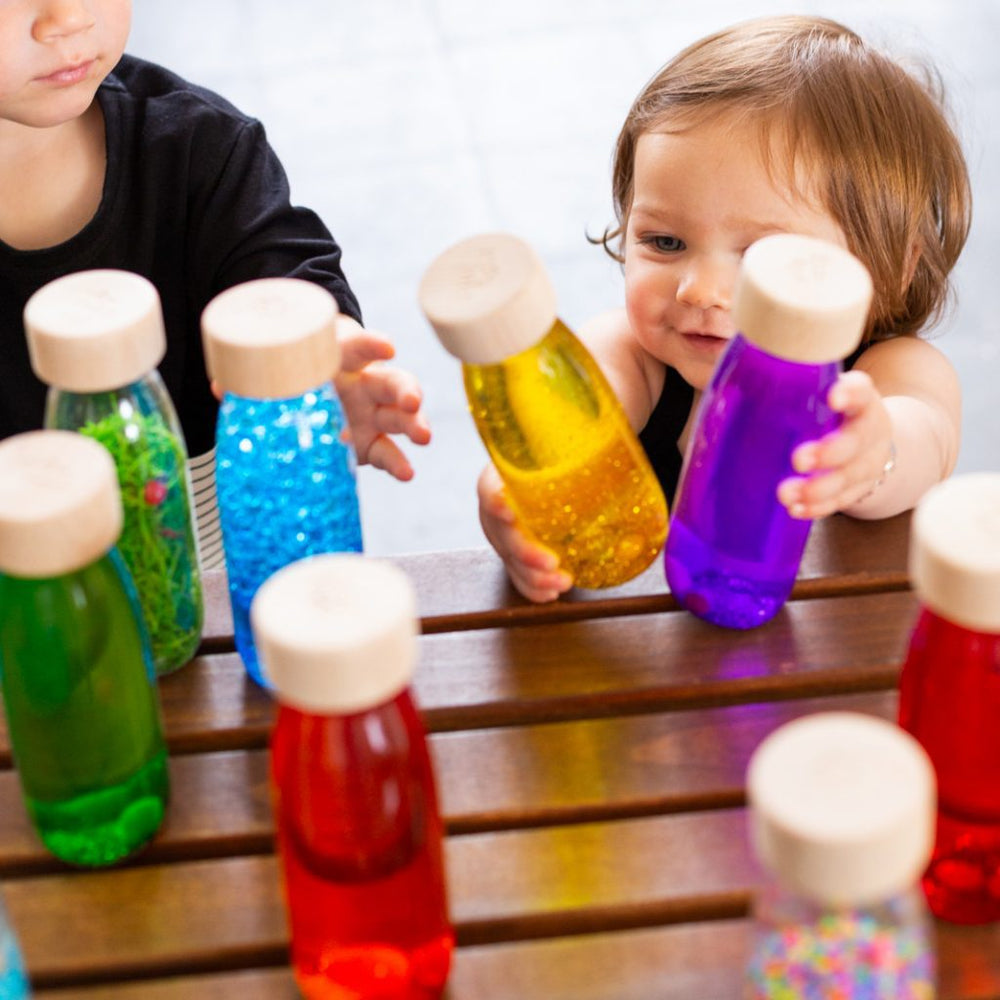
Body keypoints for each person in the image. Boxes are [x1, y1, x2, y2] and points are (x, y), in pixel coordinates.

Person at [478, 14, 971, 602]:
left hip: (836, 649)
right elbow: (572, 424)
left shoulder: (890, 373)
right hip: (656, 653)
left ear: (896, 265)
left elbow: (925, 433)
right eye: (664, 242)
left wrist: (873, 452)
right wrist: (522, 492)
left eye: (764, 256)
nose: (700, 291)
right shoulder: (631, 354)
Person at [0, 0, 430, 567]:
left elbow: (280, 265)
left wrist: (312, 355)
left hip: (202, 586)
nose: (69, 17)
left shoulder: (199, 147)